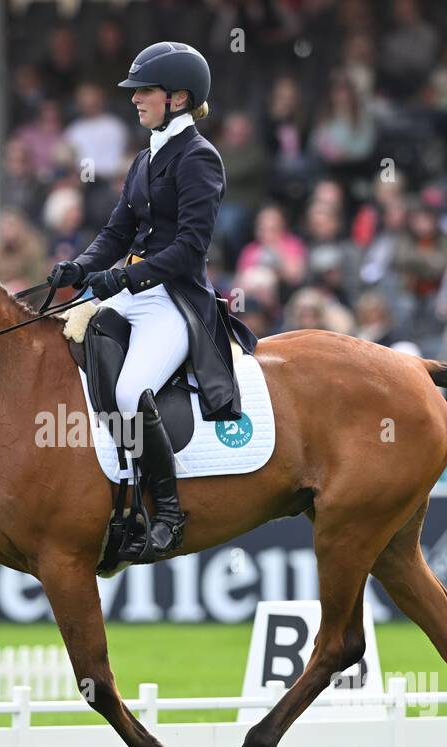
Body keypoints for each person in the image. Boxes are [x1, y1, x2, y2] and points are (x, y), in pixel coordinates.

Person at [45, 41, 259, 563]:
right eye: (136, 91)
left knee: (132, 389)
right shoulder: (145, 158)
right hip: (136, 292)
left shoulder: (199, 158)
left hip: (174, 301)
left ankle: (167, 513)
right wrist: (83, 267)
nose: (135, 100)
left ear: (178, 98)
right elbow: (116, 232)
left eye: (145, 91)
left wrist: (125, 281)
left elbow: (190, 248)